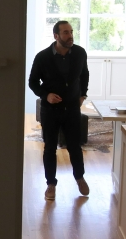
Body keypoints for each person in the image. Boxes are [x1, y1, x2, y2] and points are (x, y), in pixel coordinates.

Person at [28, 20, 90, 199]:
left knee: (74, 146)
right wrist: (45, 95)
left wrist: (82, 95)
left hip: (71, 108)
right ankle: (51, 184)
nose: (70, 35)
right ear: (56, 36)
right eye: (65, 32)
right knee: (50, 148)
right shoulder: (42, 57)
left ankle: (79, 177)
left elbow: (84, 74)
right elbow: (33, 82)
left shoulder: (79, 53)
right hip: (51, 110)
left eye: (71, 32)